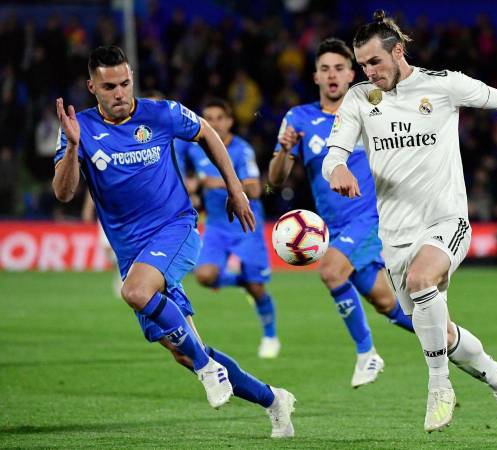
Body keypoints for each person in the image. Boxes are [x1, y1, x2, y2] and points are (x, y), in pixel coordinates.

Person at [322, 11, 497, 435]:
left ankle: (438, 388)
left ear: (397, 51)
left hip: (446, 219)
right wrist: (336, 168)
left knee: (421, 280)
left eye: (374, 62)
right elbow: (334, 152)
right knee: (440, 334)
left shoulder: (442, 84)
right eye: (362, 65)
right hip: (394, 233)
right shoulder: (360, 99)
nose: (368, 72)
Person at [52, 45, 295, 438]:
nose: (120, 93)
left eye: (125, 83)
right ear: (91, 87)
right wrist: (75, 146)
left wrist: (235, 188)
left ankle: (207, 369)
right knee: (186, 351)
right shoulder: (79, 129)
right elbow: (63, 193)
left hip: (176, 229)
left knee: (135, 292)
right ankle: (273, 399)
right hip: (133, 251)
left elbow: (208, 133)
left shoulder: (160, 113)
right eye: (109, 86)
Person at [269, 38, 414, 389]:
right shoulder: (298, 119)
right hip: (332, 226)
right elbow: (276, 180)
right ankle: (452, 338)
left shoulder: (372, 109)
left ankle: (367, 353)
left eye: (339, 68)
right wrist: (285, 151)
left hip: (369, 218)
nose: (332, 75)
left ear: (352, 74)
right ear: (315, 76)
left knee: (331, 271)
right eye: (324, 69)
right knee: (387, 304)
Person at [174, 98, 281, 359]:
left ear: (230, 121)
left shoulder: (242, 150)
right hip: (217, 227)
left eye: (219, 118)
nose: (213, 123)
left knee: (258, 289)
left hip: (247, 225)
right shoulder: (195, 148)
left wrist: (215, 182)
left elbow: (255, 189)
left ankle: (270, 337)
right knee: (204, 276)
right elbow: (175, 153)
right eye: (207, 118)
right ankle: (241, 280)